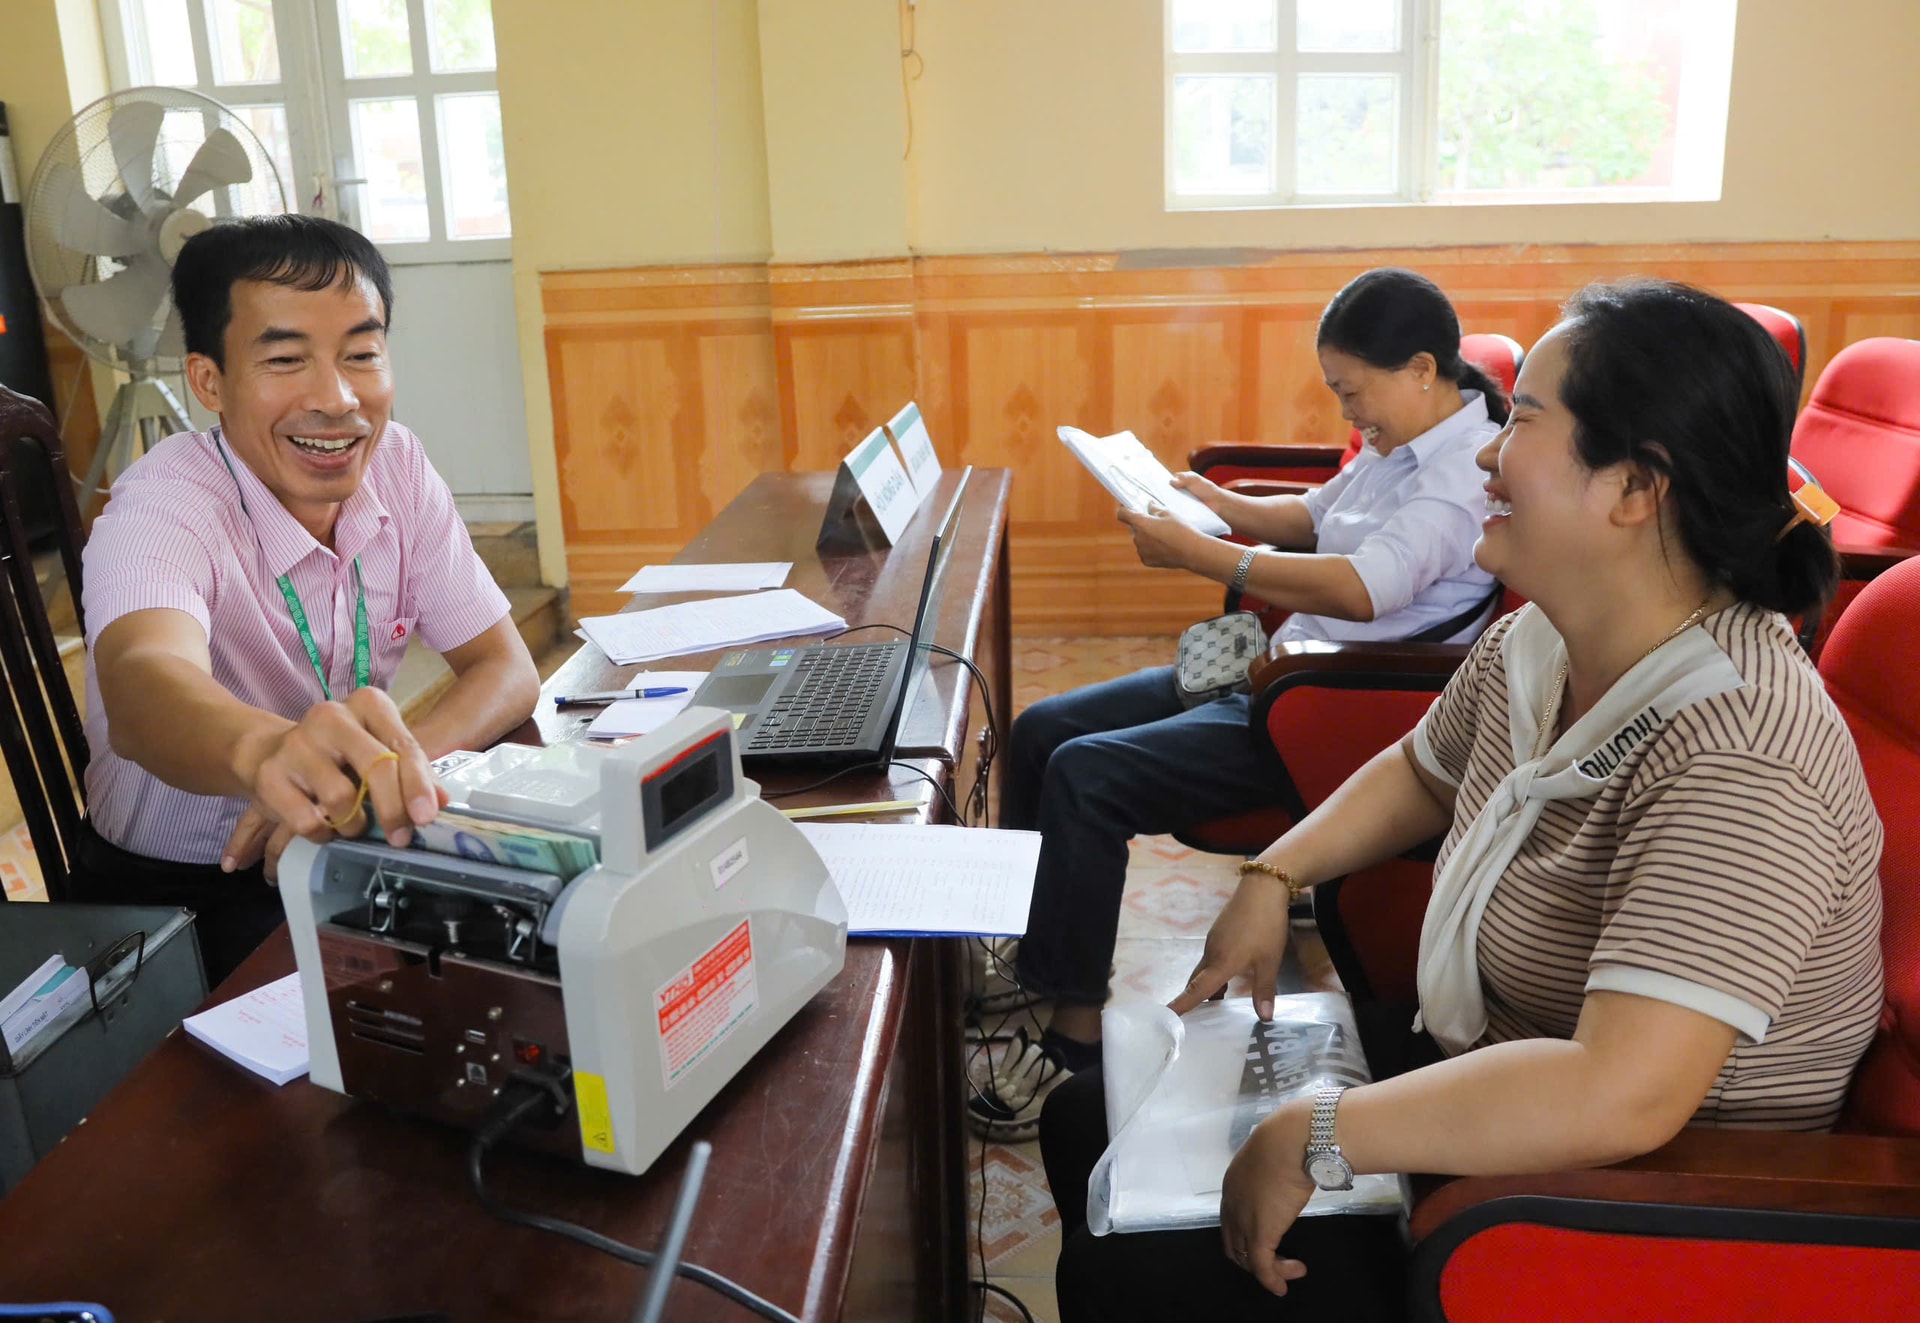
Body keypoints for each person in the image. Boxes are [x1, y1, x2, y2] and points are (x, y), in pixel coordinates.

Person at [1039, 279, 1883, 1323]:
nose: (1487, 450)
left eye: (1524, 419)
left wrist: (1322, 1131)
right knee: (1090, 1121)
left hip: (1622, 1204)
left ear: (1633, 487)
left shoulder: (1742, 754)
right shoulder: (1547, 639)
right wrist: (1275, 873)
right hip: (1497, 1070)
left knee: (1141, 1264)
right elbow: (1421, 769)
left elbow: (1626, 1093)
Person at [972, 268, 1509, 1139]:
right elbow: (1317, 516)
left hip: (1331, 707)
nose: (1349, 416)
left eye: (1353, 392)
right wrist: (1214, 503)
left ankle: (1074, 1040)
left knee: (1086, 776)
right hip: (1276, 670)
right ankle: (1042, 962)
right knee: (1041, 731)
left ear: (1420, 368)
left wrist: (1204, 556)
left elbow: (1363, 589)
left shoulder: (1457, 478)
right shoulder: (1403, 438)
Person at [72, 215, 541, 985]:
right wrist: (267, 756)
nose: (337, 398)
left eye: (362, 353)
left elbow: (505, 665)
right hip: (180, 900)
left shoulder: (398, 464)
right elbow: (140, 681)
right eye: (286, 359)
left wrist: (379, 775)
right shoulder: (163, 505)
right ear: (208, 381)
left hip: (345, 845)